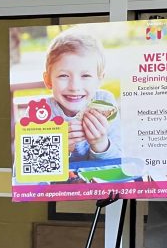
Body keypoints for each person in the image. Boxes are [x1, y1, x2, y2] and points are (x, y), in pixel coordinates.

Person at [42, 29, 122, 162]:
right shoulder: (40, 113)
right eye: (63, 76)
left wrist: (100, 144)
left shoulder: (105, 103)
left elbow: (119, 166)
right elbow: (21, 175)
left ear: (99, 79)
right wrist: (57, 149)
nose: (74, 87)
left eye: (85, 75)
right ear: (48, 80)